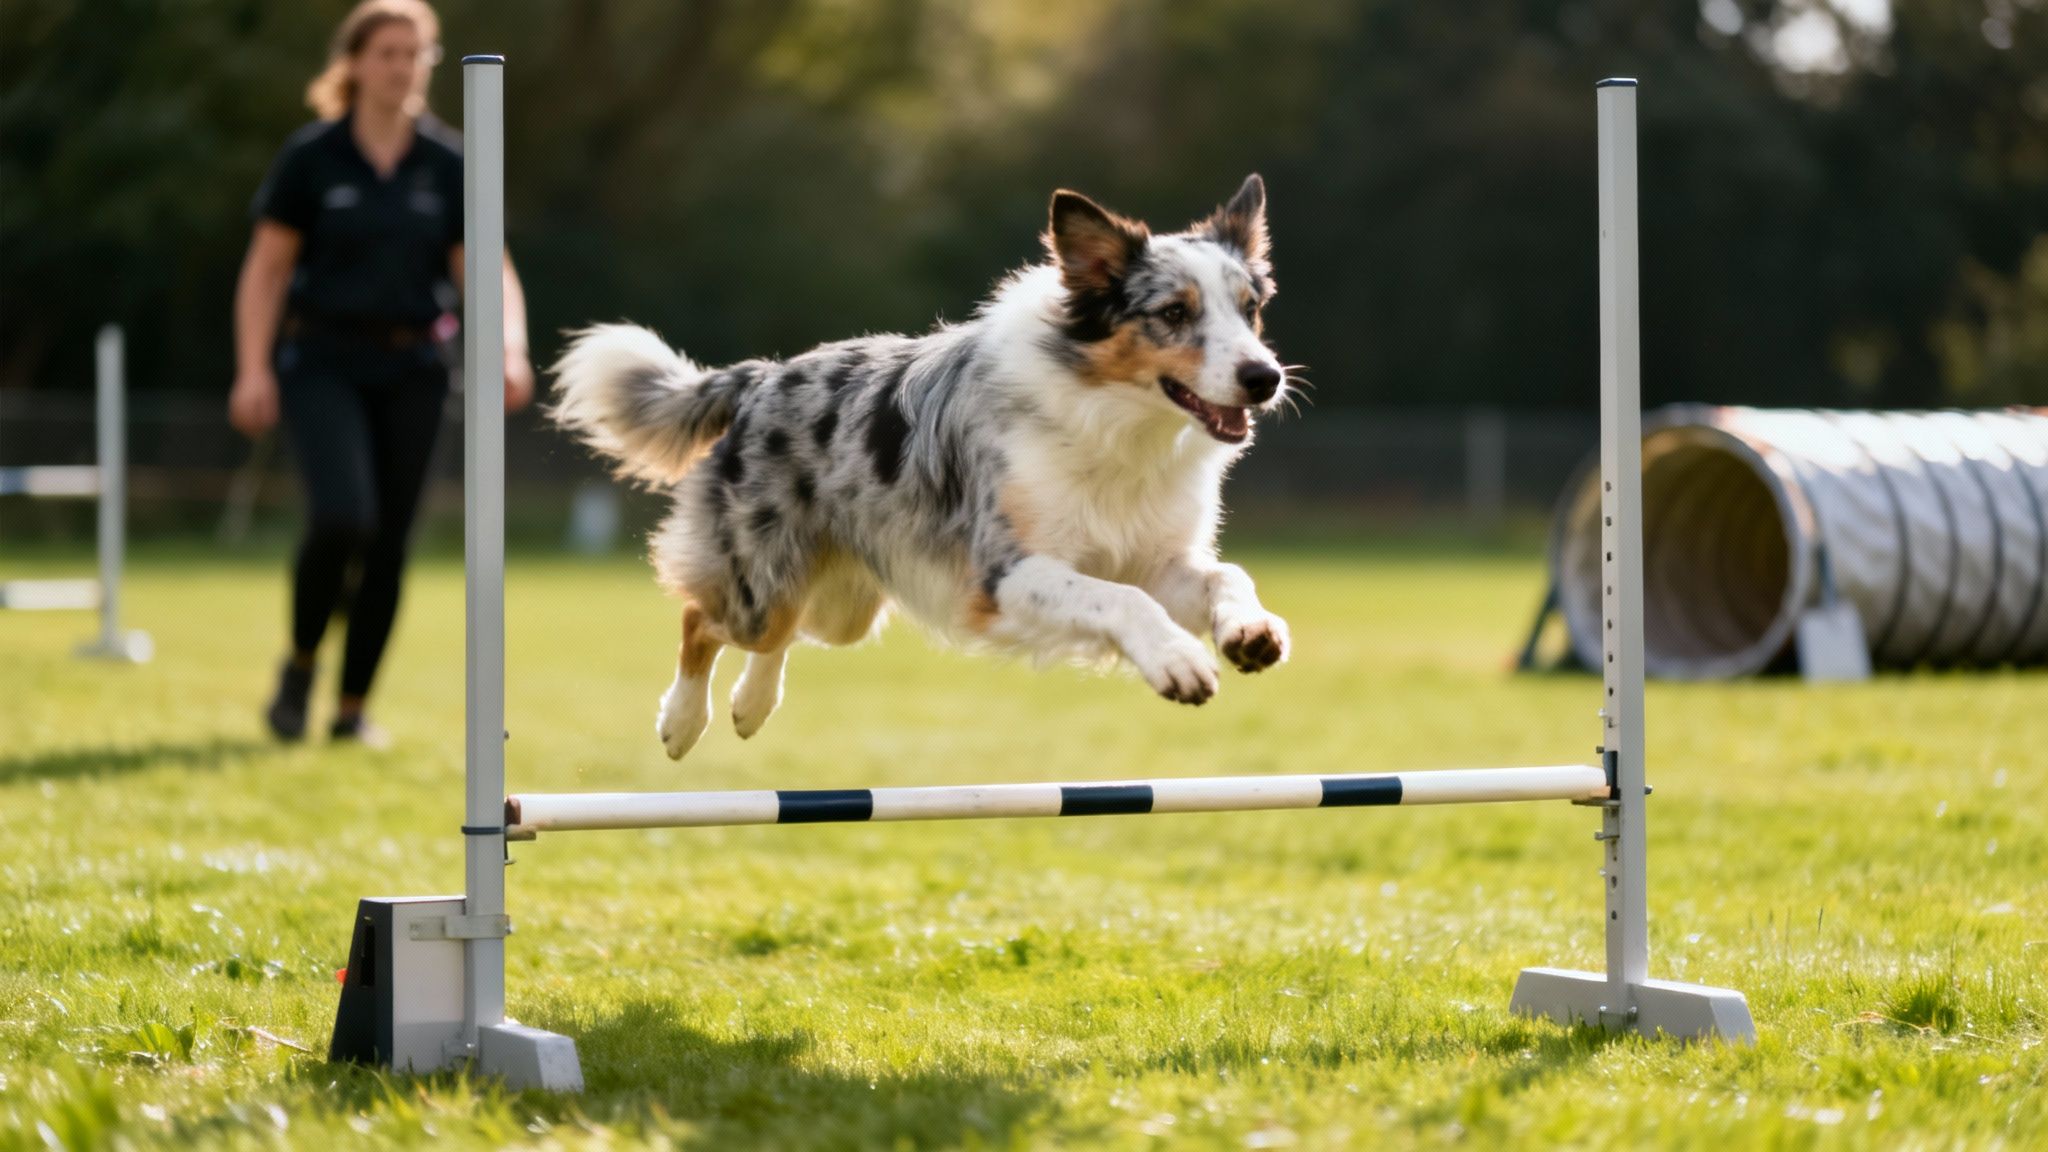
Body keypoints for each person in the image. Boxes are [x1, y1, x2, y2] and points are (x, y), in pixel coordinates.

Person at [228, 0, 532, 746]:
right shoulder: (312, 157)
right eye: (387, 52)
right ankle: (302, 664)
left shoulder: (448, 163)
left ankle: (351, 709)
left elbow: (487, 269)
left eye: (414, 52)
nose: (401, 66)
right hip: (322, 361)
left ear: (428, 63)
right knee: (343, 517)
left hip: (414, 367)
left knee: (390, 543)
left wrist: (509, 346)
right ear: (356, 63)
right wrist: (251, 369)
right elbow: (266, 271)